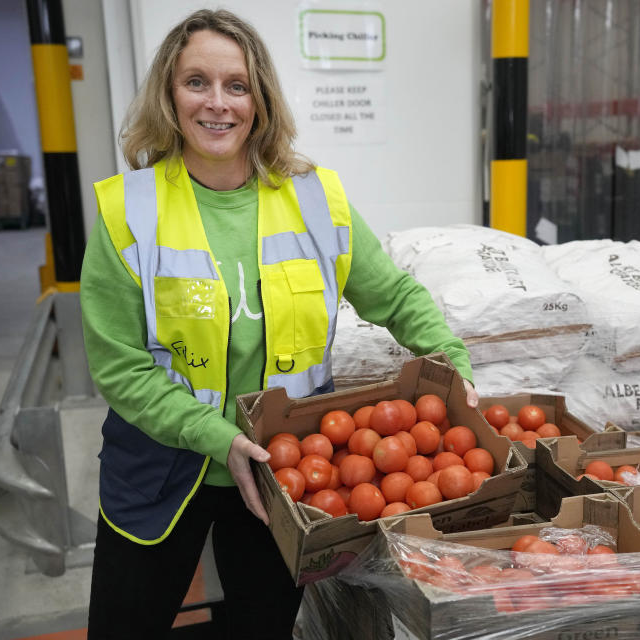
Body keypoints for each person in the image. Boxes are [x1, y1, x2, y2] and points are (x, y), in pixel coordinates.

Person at [80, 9, 477, 639]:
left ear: (260, 98)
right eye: (196, 83)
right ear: (168, 93)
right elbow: (118, 364)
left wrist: (452, 363)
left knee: (262, 629)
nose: (218, 104)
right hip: (159, 469)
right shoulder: (125, 210)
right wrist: (217, 437)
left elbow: (394, 294)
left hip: (282, 473)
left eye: (236, 85)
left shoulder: (315, 197)